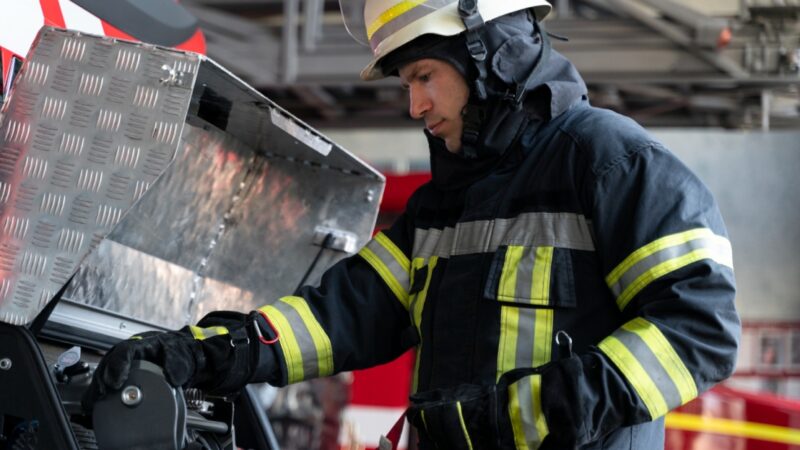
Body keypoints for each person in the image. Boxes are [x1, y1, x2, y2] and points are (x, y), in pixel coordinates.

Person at [86, 0, 741, 448]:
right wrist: (202, 353)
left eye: (424, 75)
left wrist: (520, 417)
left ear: (492, 54)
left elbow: (699, 331)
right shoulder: (445, 205)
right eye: (407, 82)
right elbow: (339, 315)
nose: (415, 104)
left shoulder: (611, 164)